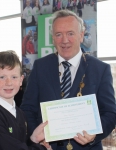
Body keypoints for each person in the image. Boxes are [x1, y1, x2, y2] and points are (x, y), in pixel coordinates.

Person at [20, 9, 116, 150]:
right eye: (59, 34)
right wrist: (38, 138)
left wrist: (94, 135)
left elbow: (110, 113)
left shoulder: (100, 69)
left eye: (70, 33)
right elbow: (28, 109)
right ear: (53, 38)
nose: (64, 40)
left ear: (81, 35)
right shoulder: (41, 67)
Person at [0, 50, 51, 150]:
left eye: (14, 77)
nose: (8, 82)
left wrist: (33, 139)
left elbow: (18, 143)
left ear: (21, 80)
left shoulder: (19, 113)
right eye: (2, 77)